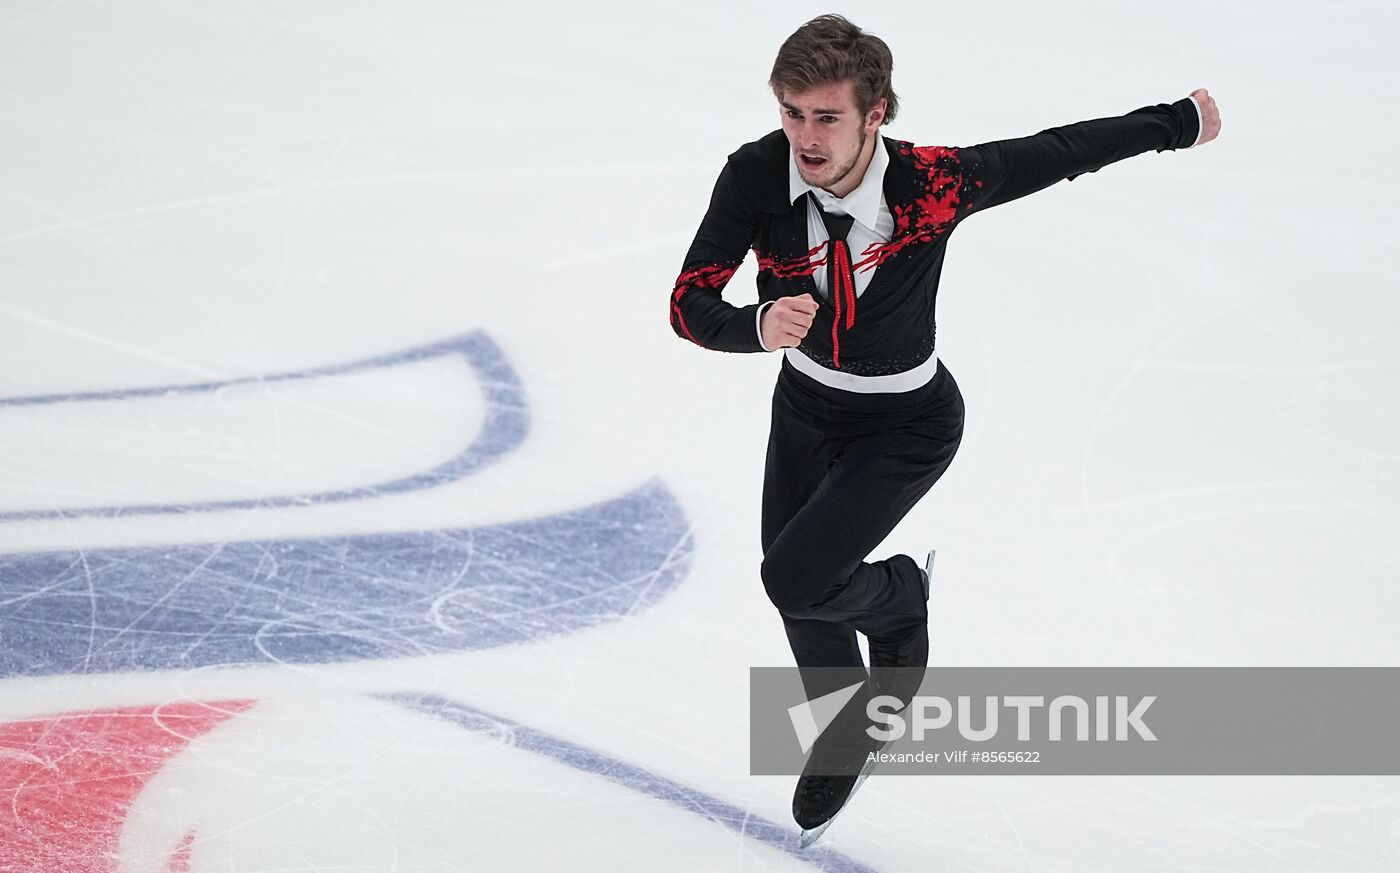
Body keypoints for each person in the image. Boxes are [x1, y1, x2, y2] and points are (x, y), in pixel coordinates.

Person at [667, 13, 1221, 838]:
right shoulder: (754, 177)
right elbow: (689, 301)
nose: (805, 138)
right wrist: (750, 325)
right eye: (791, 112)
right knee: (799, 589)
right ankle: (844, 730)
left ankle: (900, 604)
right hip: (806, 409)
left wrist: (1176, 123)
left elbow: (1055, 151)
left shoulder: (930, 185)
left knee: (793, 578)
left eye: (826, 117)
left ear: (876, 113)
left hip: (907, 421)